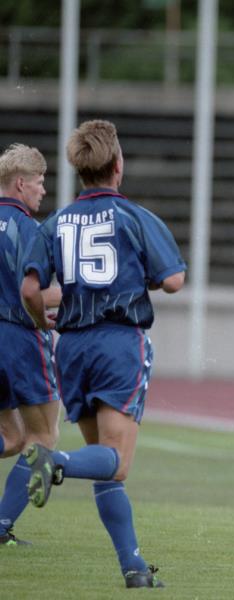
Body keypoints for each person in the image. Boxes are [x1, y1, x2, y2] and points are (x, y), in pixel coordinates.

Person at [20, 119, 186, 588]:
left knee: (107, 469)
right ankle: (54, 461)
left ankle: (134, 569)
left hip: (71, 347)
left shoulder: (55, 222)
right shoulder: (134, 216)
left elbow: (31, 289)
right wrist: (141, 278)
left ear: (80, 170)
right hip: (117, 343)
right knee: (117, 460)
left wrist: (42, 322)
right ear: (118, 165)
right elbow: (174, 280)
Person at [0, 144, 61, 547]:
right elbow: (31, 293)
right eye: (39, 182)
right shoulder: (29, 229)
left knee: (11, 437)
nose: (43, 190)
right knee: (43, 437)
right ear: (21, 184)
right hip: (18, 338)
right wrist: (74, 295)